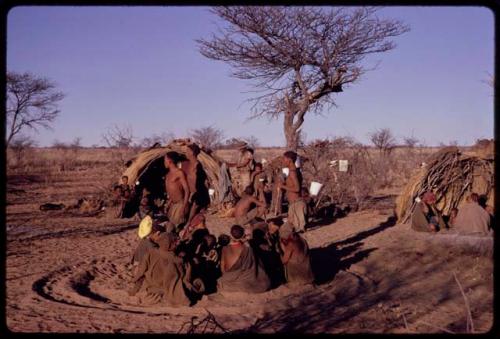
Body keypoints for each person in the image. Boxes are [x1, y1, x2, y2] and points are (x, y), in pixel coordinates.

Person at [129, 232, 191, 306]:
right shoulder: (177, 260)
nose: (177, 243)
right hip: (165, 289)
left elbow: (140, 273)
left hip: (149, 287)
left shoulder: (150, 253)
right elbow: (186, 278)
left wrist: (135, 287)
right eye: (175, 241)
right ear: (170, 244)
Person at [218, 225, 270, 293]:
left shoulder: (224, 248)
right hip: (244, 276)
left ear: (231, 234)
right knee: (264, 281)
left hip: (228, 276)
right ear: (243, 235)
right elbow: (252, 263)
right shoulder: (247, 248)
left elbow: (222, 267)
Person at [182, 144, 210, 224]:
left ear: (192, 153)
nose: (186, 153)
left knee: (193, 213)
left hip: (198, 194)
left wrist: (194, 195)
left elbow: (200, 183)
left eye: (188, 151)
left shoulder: (198, 166)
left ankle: (187, 225)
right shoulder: (187, 164)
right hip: (190, 194)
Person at [279, 151, 307, 232]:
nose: (283, 160)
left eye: (284, 159)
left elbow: (297, 189)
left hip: (296, 204)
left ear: (289, 160)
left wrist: (282, 186)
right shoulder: (295, 170)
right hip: (294, 203)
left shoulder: (292, 172)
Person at [164, 151, 190, 231]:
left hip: (180, 205)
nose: (164, 162)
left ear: (170, 161)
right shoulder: (168, 174)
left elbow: (187, 190)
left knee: (174, 228)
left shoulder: (179, 173)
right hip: (173, 205)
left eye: (165, 160)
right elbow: (172, 191)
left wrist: (184, 206)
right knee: (170, 227)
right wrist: (169, 203)